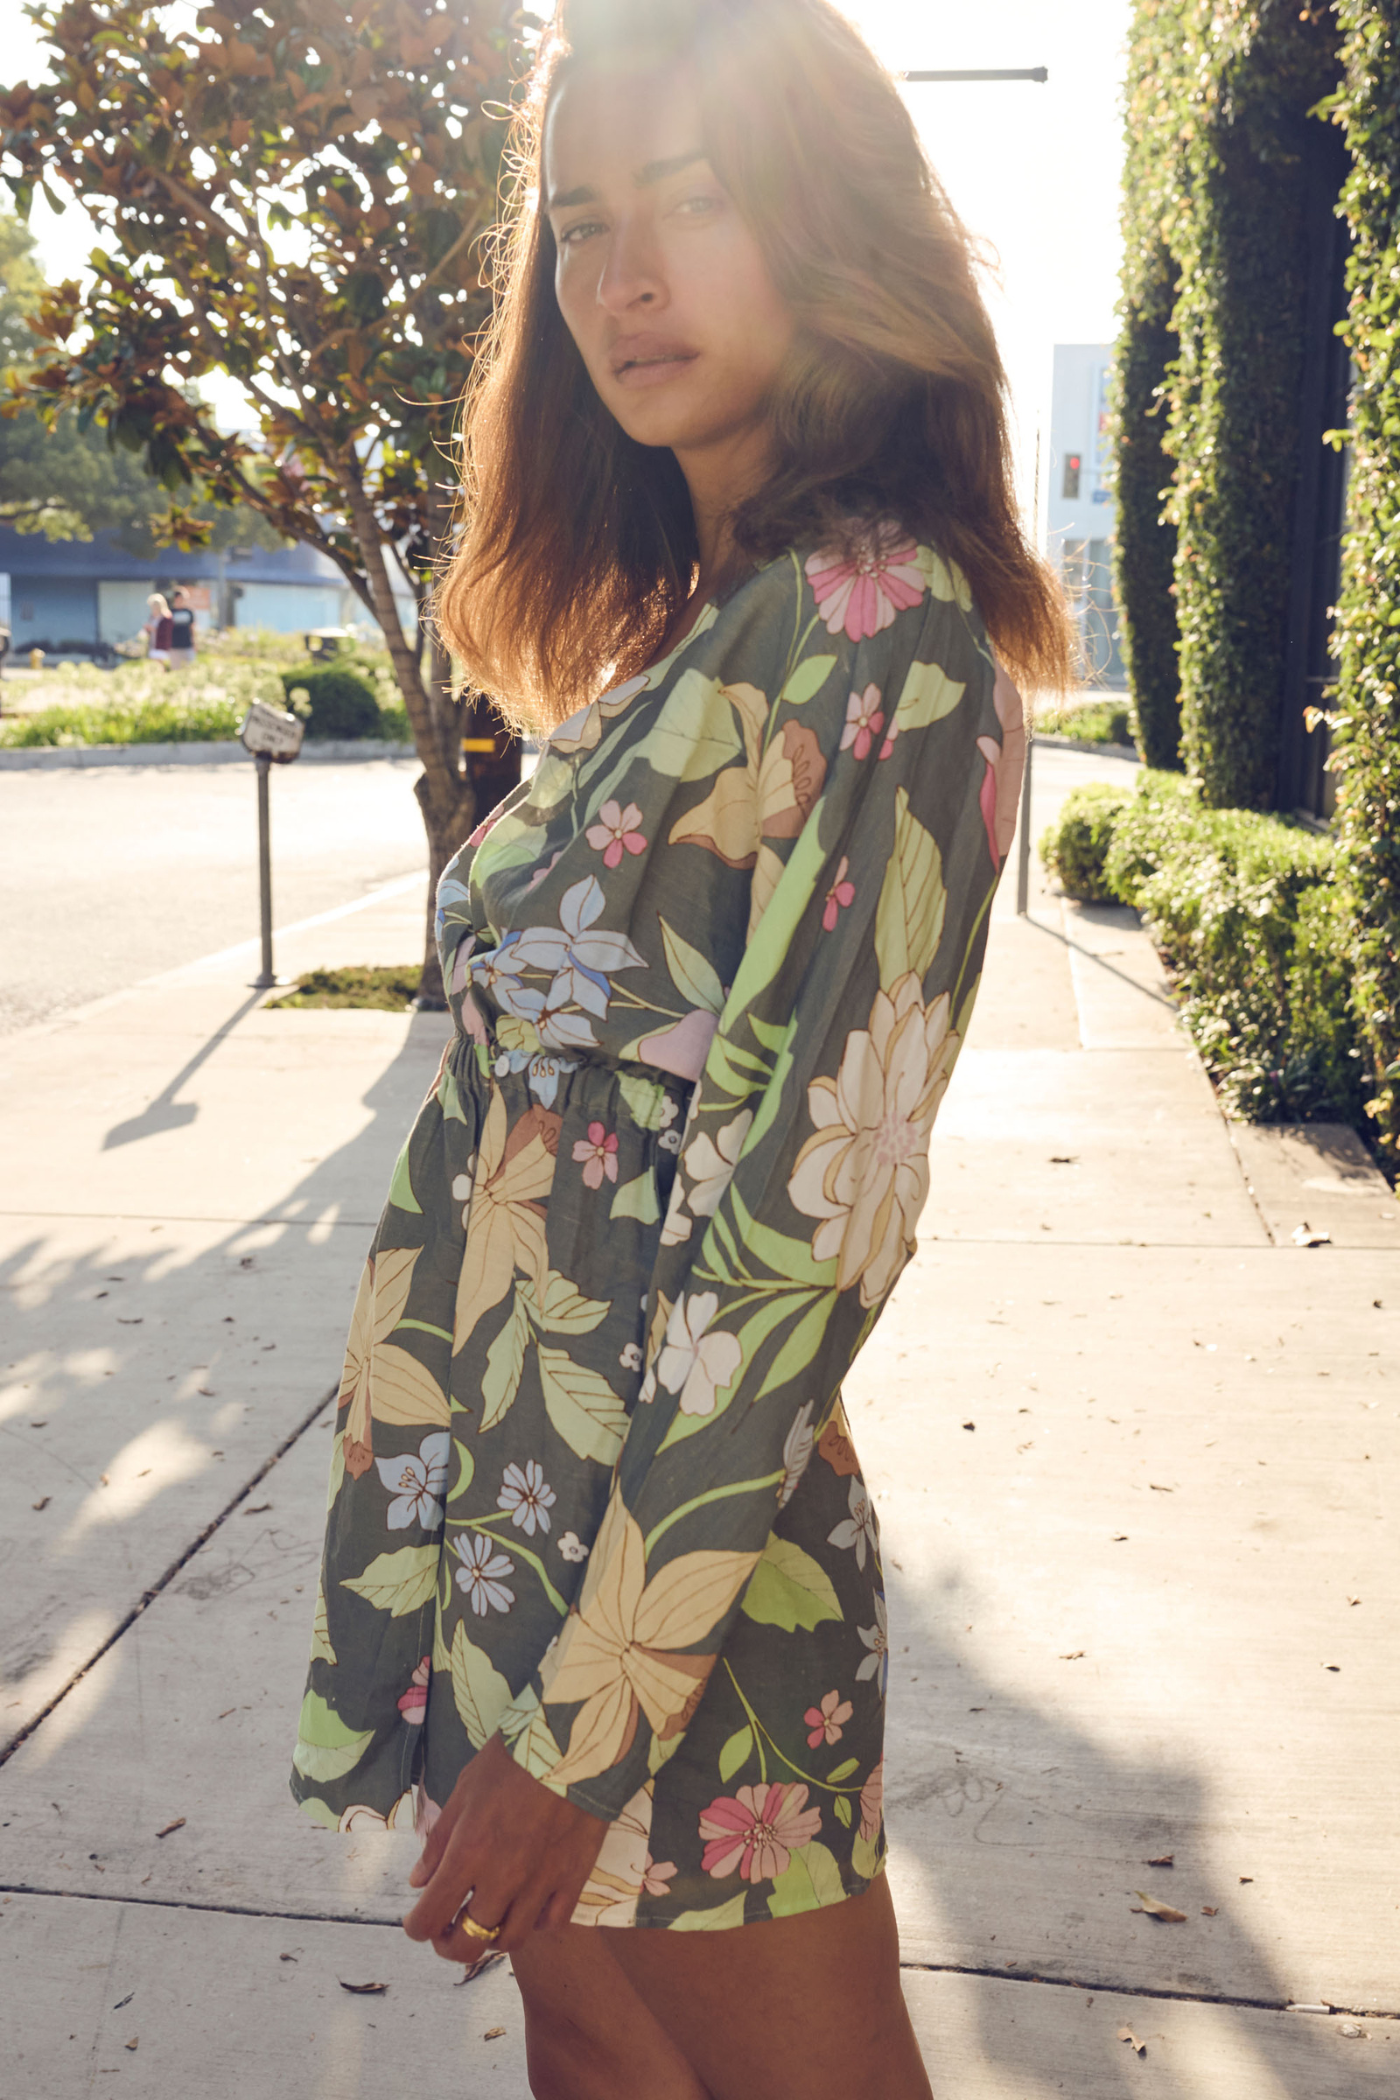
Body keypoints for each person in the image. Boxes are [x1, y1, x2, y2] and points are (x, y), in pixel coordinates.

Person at [291, 3, 1070, 2095]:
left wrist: (573, 1736)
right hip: (517, 1541)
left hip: (678, 1619)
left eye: (694, 209)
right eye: (580, 228)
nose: (622, 279)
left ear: (825, 227)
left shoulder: (881, 635)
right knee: (598, 2070)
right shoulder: (696, 621)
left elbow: (801, 1248)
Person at [168, 587, 197, 668]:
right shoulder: (170, 612)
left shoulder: (189, 611)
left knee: (190, 669)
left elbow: (192, 628)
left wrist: (194, 643)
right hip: (174, 646)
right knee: (175, 669)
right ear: (176, 598)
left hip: (187, 645)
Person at [143, 592, 172, 666]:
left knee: (161, 666)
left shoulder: (166, 617)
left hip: (162, 646)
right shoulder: (152, 617)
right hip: (153, 644)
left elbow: (167, 632)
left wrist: (154, 629)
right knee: (154, 666)